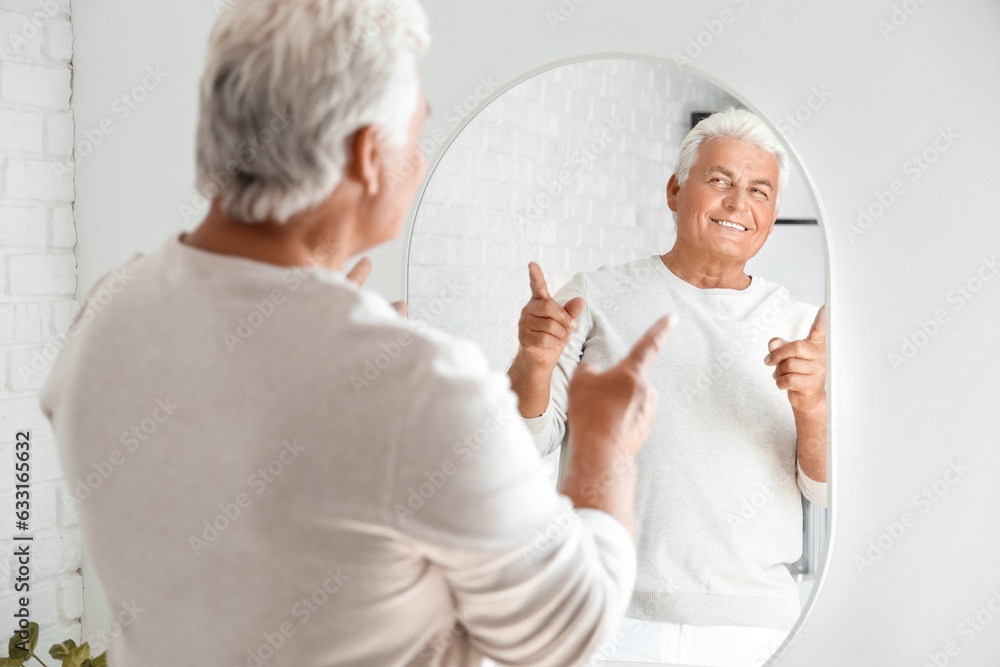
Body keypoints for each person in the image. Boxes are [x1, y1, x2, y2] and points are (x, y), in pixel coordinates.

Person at [38, 1, 675, 665]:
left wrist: (329, 333)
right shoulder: (417, 385)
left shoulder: (104, 313)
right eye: (417, 135)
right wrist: (605, 445)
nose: (421, 158)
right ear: (370, 154)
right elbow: (567, 630)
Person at [506, 108, 829, 666]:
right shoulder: (595, 296)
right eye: (719, 181)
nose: (737, 203)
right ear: (675, 190)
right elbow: (520, 442)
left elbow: (827, 489)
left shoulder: (803, 328)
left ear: (772, 215)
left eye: (758, 190)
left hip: (751, 631)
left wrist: (814, 409)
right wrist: (534, 360)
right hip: (606, 616)